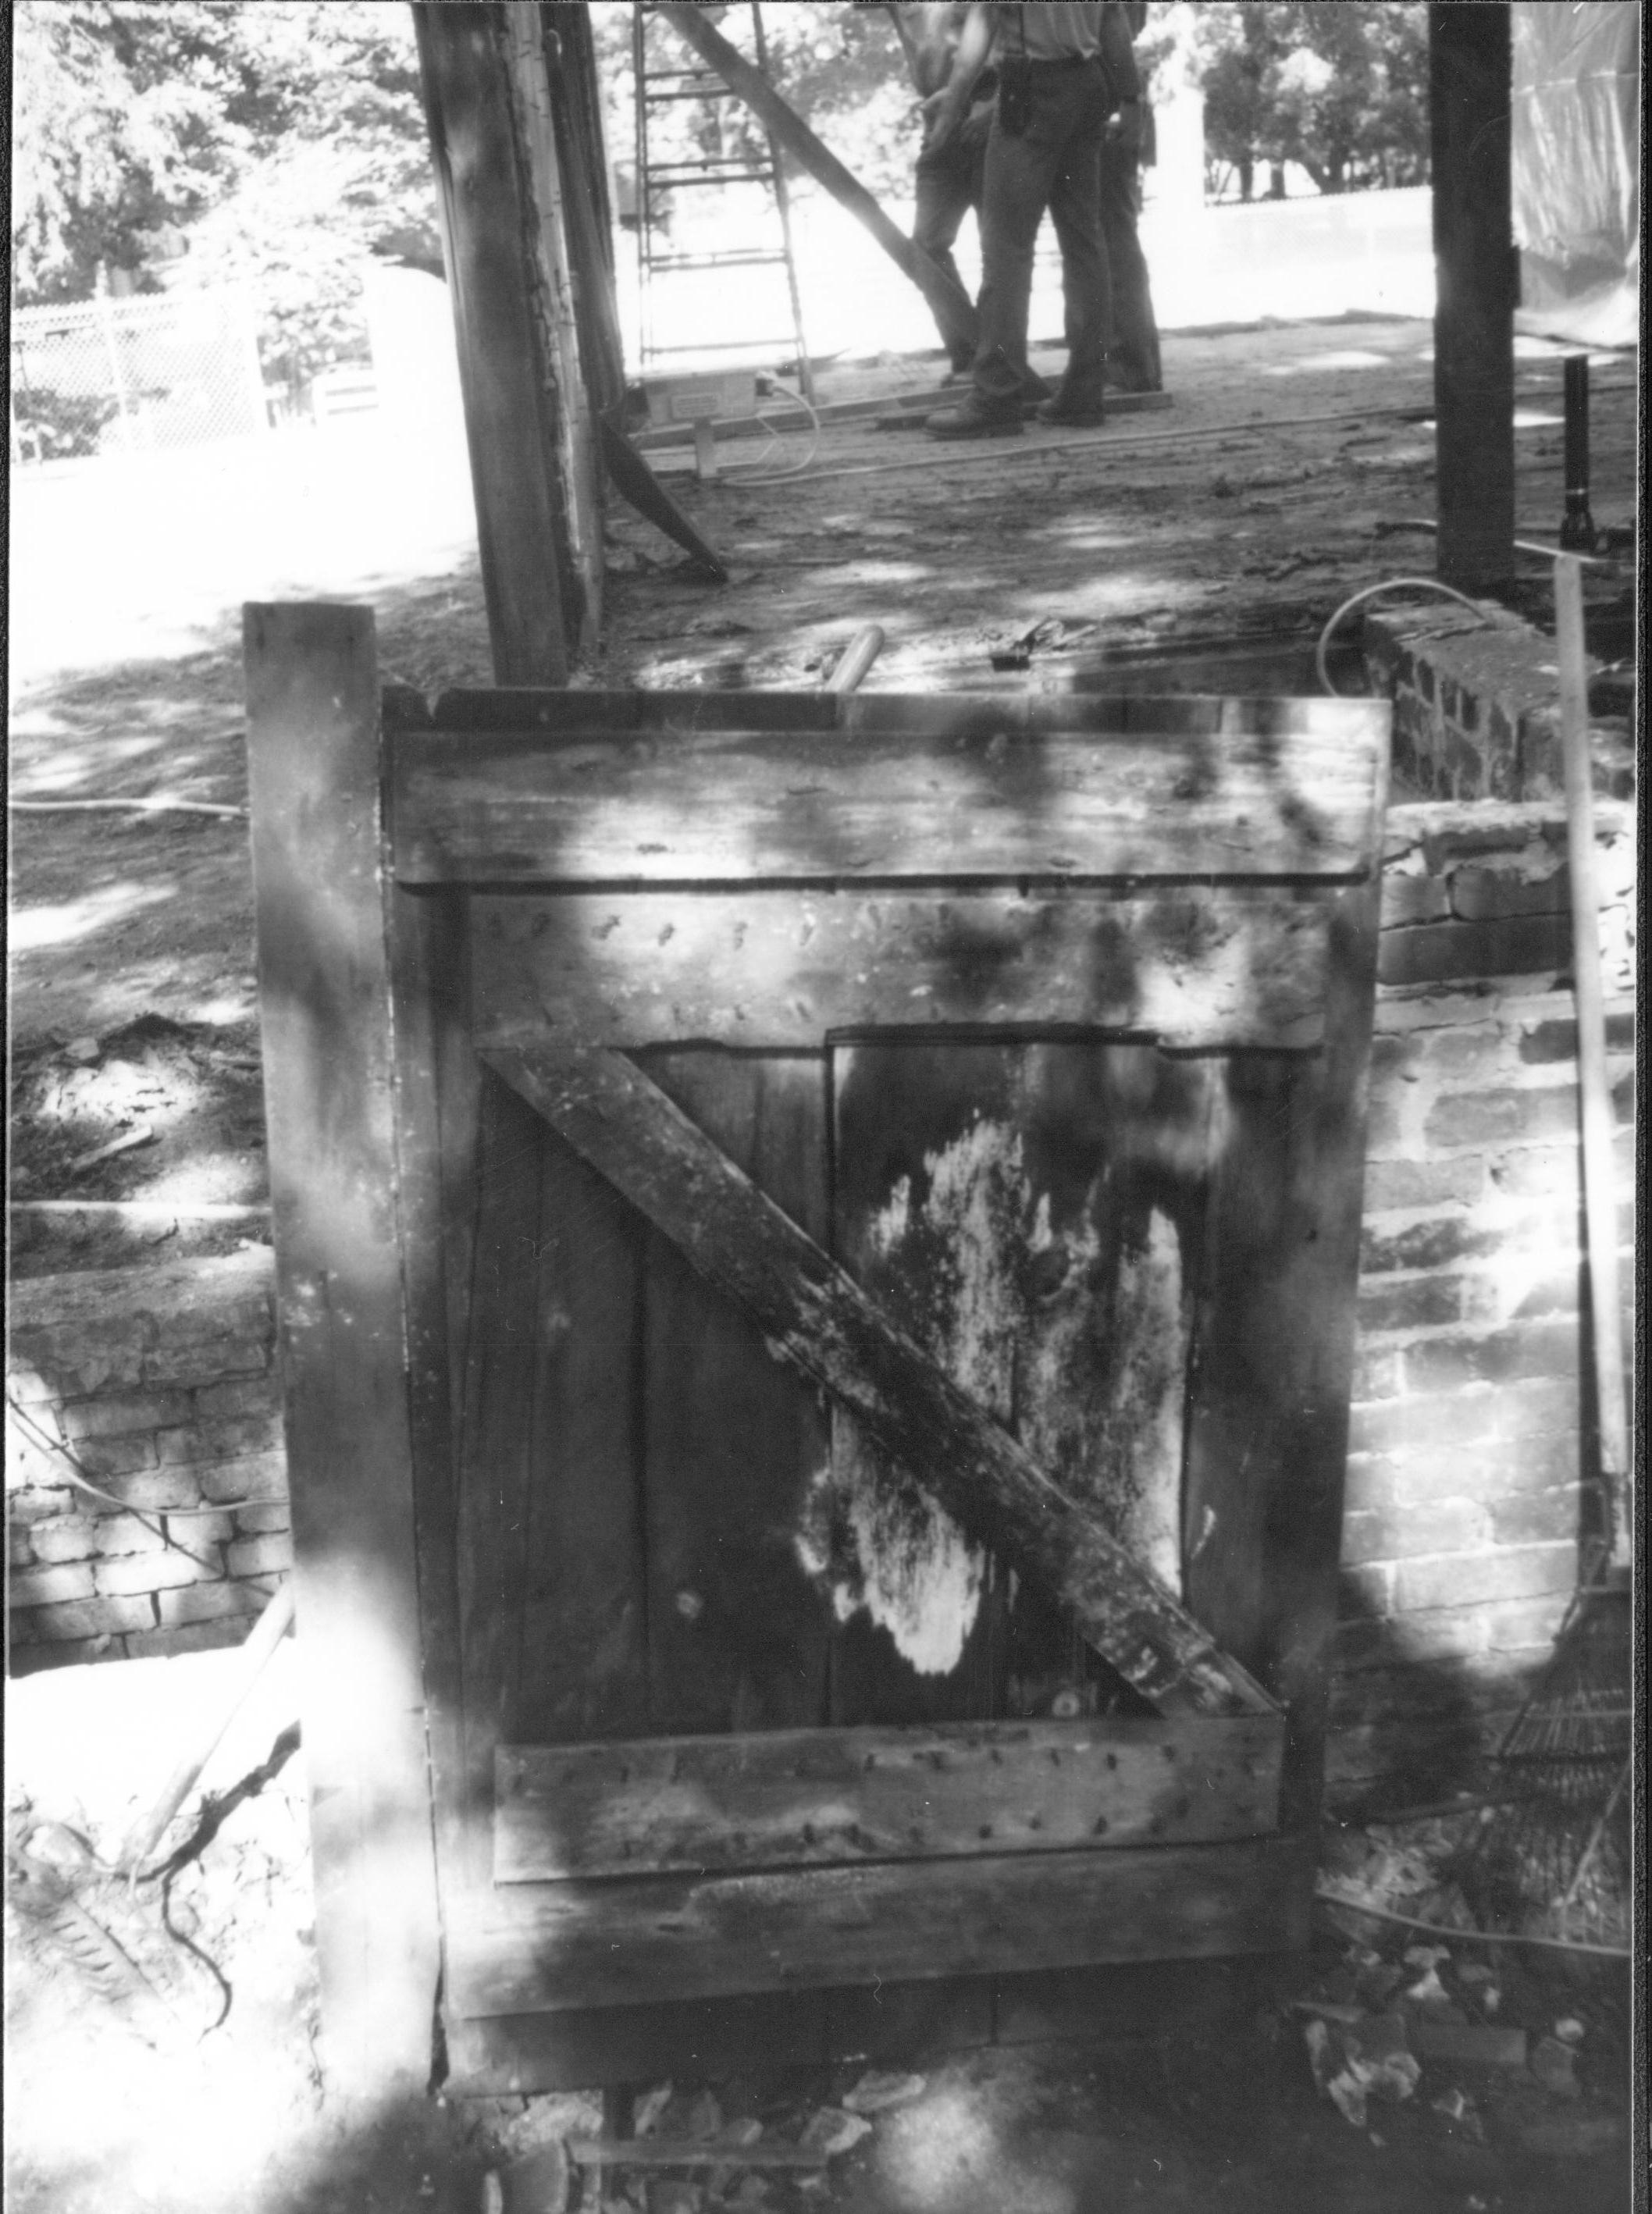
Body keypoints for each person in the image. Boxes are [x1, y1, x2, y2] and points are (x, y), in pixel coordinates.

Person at [923, 2, 1141, 438]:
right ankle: (1084, 393)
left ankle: (996, 394)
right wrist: (1132, 100)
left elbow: (984, 18)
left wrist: (952, 108)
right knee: (1084, 241)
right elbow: (1114, 19)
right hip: (1089, 81)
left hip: (1032, 90)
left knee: (1006, 248)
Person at [890, 3, 996, 376]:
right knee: (927, 245)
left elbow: (1011, 35)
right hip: (939, 119)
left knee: (998, 248)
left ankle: (996, 362)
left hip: (989, 107)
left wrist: (990, 101)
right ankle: (971, 353)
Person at [1099, 0, 1162, 392]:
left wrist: (1128, 102)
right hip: (1108, 93)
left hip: (1104, 97)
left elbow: (1118, 22)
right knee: (1108, 236)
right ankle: (1128, 362)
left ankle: (1131, 364)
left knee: (1111, 235)